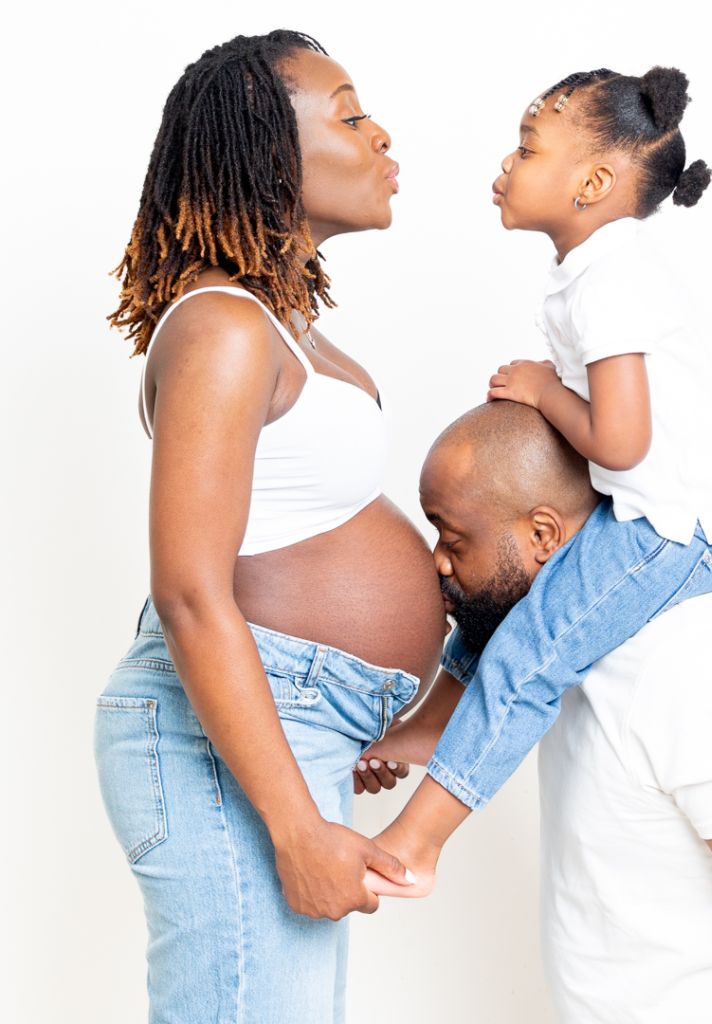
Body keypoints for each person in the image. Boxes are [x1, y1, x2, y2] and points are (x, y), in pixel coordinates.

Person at [93, 30, 445, 1024]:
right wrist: (294, 826)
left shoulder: (279, 324)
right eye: (349, 114)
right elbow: (189, 590)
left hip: (288, 722)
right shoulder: (223, 325)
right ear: (263, 146)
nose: (380, 135)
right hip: (228, 738)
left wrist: (363, 706)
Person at [361, 65, 712, 866]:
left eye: (526, 148)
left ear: (592, 183)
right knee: (507, 596)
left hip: (685, 527)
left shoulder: (611, 281)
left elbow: (620, 443)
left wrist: (543, 390)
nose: (506, 163)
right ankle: (438, 721)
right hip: (651, 506)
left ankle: (417, 843)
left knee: (529, 656)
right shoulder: (595, 271)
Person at [363, 403, 712, 1021]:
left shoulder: (695, 663)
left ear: (544, 536)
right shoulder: (574, 653)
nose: (437, 560)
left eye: (454, 537)